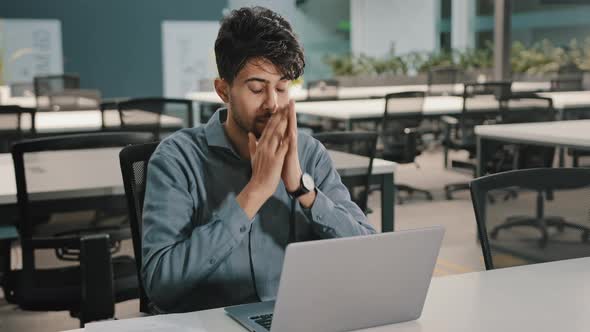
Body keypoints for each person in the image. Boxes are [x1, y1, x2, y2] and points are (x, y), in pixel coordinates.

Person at [142, 6, 376, 313]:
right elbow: (161, 283)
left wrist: (304, 192)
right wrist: (254, 193)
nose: (273, 103)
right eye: (256, 88)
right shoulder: (177, 159)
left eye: (281, 87)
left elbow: (368, 254)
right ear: (223, 90)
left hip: (294, 319)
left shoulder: (309, 153)